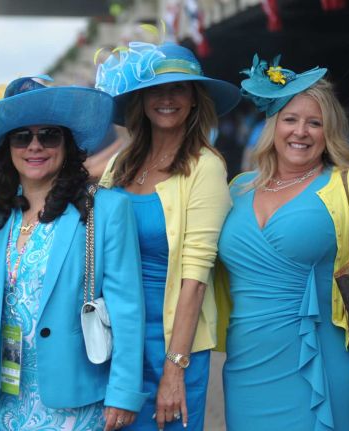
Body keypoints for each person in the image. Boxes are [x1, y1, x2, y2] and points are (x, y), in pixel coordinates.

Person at [215, 55, 349, 430]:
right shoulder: (237, 189)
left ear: (329, 132)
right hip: (247, 365)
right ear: (272, 126)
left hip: (325, 359)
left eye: (314, 123)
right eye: (290, 119)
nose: (300, 132)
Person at [0, 76, 147, 431]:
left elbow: (127, 308)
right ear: (6, 147)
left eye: (49, 135)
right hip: (3, 403)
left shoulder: (105, 209)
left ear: (68, 143)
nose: (35, 146)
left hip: (77, 402)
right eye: (21, 136)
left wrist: (123, 393)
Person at [95, 41, 240, 431]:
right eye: (157, 89)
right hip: (115, 339)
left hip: (171, 343)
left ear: (195, 99)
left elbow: (196, 278)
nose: (167, 98)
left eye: (179, 88)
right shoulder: (120, 163)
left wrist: (174, 370)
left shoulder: (205, 167)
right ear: (140, 100)